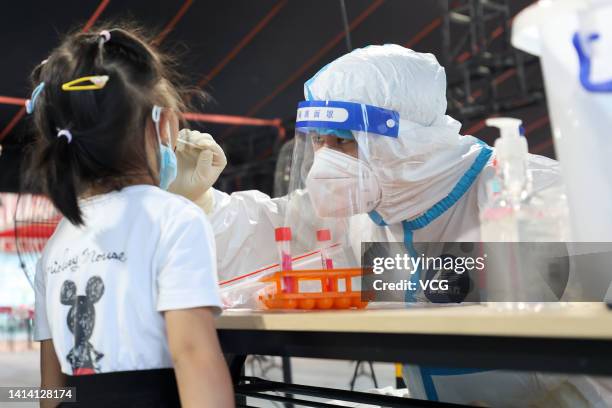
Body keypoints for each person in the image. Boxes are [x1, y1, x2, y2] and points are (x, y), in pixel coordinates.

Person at [172, 44, 611, 407]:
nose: (325, 159)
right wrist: (202, 202)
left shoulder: (531, 193)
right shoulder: (361, 218)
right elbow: (272, 233)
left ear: (403, 139)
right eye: (320, 142)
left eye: (343, 140)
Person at [28, 26, 233, 408]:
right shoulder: (177, 220)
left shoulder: (57, 243)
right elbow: (193, 356)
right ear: (165, 123)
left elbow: (50, 387)